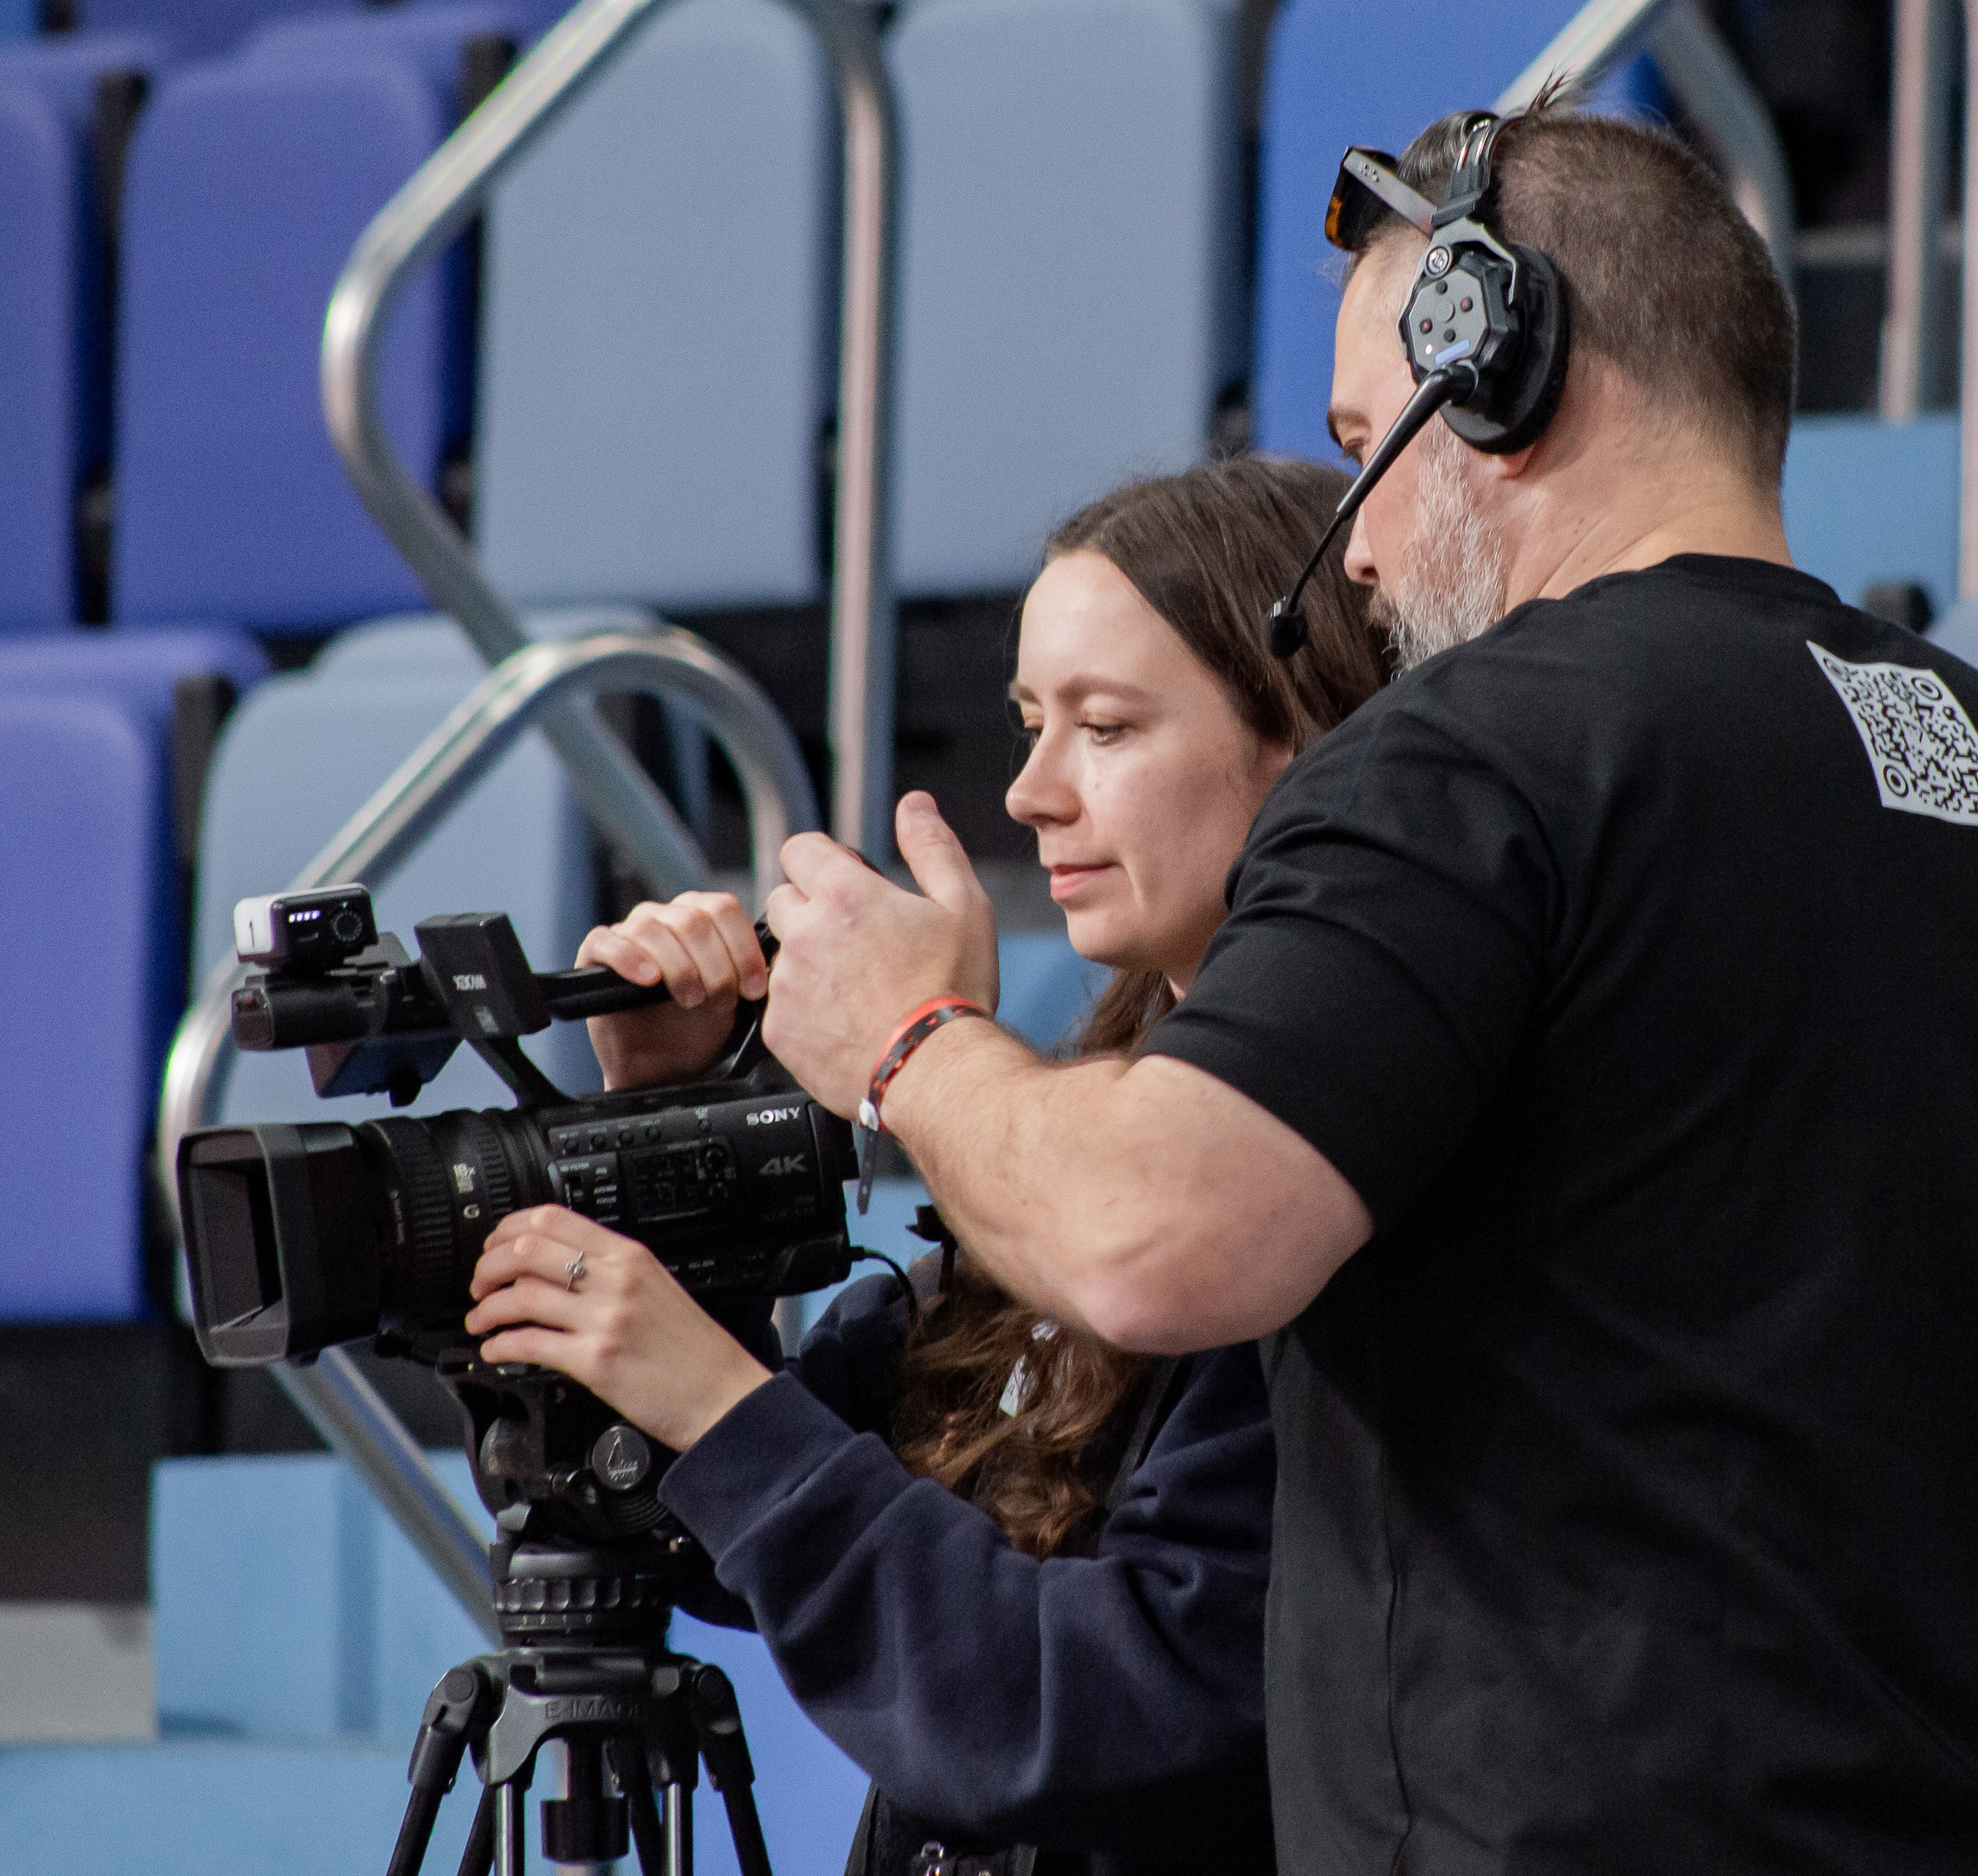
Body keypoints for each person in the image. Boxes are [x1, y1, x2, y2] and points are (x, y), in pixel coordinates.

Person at [710, 103, 1978, 1872]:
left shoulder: (1469, 751)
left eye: (1367, 445)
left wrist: (907, 1039)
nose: (1357, 558)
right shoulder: (1947, 738)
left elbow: (1153, 1241)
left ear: (1501, 376)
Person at [464, 458, 1388, 1876]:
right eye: (1028, 724)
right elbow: (713, 1531)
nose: (1030, 793)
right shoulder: (1077, 1118)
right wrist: (671, 1126)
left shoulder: (1312, 1188)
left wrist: (722, 1403)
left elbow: (1089, 1716)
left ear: (1305, 740)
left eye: (1105, 728)